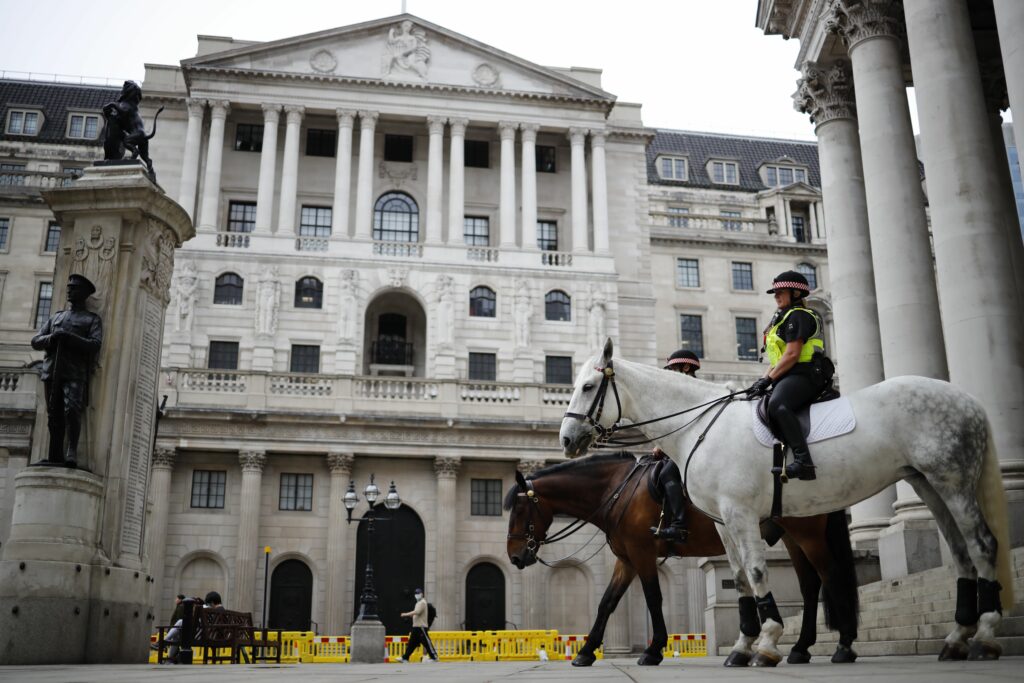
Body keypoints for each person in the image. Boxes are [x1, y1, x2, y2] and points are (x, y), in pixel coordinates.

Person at [747, 271, 831, 481]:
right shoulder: (783, 318)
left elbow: (793, 354)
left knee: (778, 405)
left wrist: (770, 379)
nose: (776, 296)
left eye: (780, 291)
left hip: (807, 373)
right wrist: (761, 380)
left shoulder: (798, 315)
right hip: (790, 373)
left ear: (795, 293)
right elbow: (779, 360)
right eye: (775, 292)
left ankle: (803, 461)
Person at [30, 273, 102, 468]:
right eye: (69, 287)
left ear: (84, 293)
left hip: (75, 372)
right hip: (52, 371)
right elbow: (36, 341)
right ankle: (54, 453)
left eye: (74, 288)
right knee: (54, 413)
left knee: (72, 410)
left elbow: (95, 344)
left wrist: (70, 338)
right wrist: (52, 338)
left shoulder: (91, 319)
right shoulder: (56, 317)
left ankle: (71, 450)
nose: (69, 290)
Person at [397, 588, 438, 663]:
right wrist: (412, 615)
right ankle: (405, 657)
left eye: (418, 593)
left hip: (421, 627)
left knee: (426, 642)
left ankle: (434, 657)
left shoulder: (422, 602)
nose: (417, 595)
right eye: (416, 593)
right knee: (411, 643)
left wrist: (406, 614)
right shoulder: (418, 603)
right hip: (416, 627)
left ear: (422, 594)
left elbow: (417, 612)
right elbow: (417, 613)